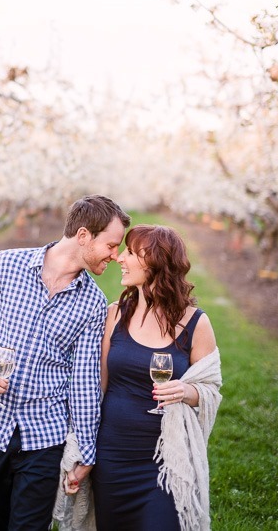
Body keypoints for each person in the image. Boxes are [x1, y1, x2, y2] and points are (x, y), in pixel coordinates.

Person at [0, 195, 131, 531]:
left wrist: (85, 451)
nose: (115, 255)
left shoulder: (93, 303)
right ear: (83, 236)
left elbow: (83, 383)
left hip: (44, 437)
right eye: (110, 245)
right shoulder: (8, 264)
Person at [92, 224, 222, 531]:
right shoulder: (116, 314)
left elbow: (210, 389)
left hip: (165, 462)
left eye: (130, 252)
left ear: (156, 262)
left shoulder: (195, 323)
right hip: (112, 456)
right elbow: (99, 385)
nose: (119, 259)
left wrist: (186, 391)